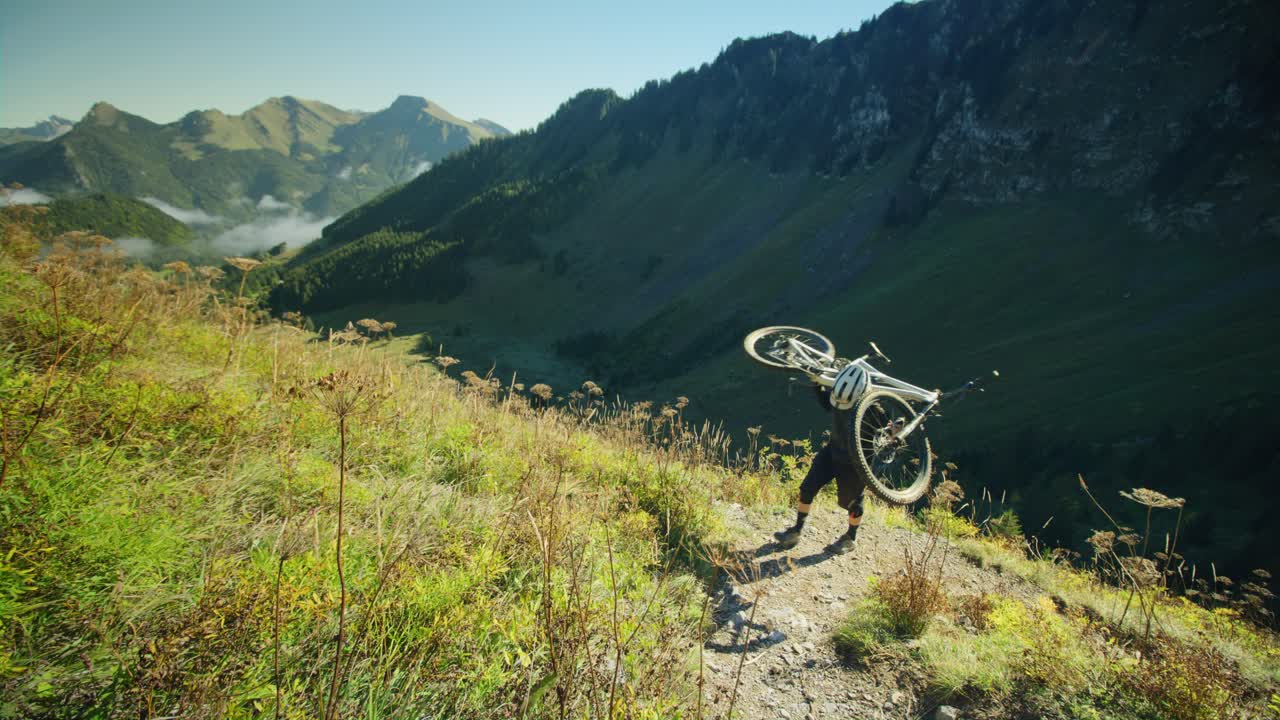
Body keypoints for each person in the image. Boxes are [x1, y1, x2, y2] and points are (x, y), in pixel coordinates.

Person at [773, 363, 869, 555]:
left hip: (854, 462)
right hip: (832, 451)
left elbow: (886, 435)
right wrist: (816, 382)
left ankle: (851, 538)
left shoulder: (873, 408)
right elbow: (826, 403)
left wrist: (893, 431)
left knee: (852, 503)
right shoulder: (840, 393)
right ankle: (796, 531)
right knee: (808, 487)